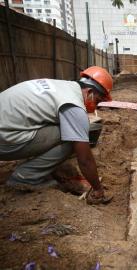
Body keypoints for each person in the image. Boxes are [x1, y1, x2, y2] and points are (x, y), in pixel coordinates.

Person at [0, 66, 114, 205]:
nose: (96, 106)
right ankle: (26, 177)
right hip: (5, 138)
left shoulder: (63, 86)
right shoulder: (73, 105)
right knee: (73, 138)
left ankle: (38, 166)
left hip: (7, 126)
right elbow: (85, 160)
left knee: (66, 128)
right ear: (89, 91)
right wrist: (98, 189)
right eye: (97, 100)